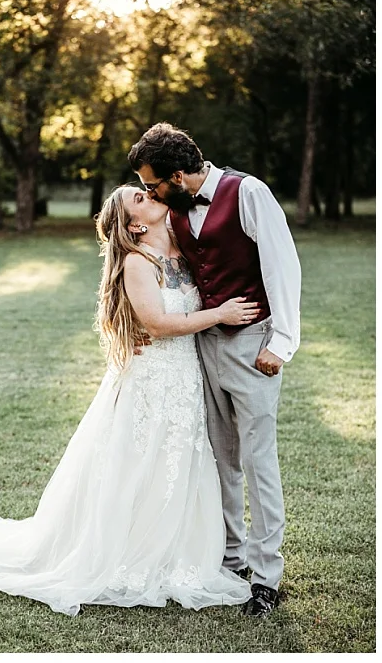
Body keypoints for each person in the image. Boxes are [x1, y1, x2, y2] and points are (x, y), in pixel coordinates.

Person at [0, 185, 255, 616]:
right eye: (139, 197)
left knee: (178, 460)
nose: (148, 195)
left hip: (184, 379)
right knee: (139, 462)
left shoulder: (179, 247)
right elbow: (155, 322)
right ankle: (129, 552)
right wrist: (221, 314)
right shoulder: (137, 263)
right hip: (151, 379)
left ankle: (179, 551)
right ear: (135, 224)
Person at [127, 123, 301, 617]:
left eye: (151, 184)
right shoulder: (176, 211)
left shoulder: (248, 192)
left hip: (253, 344)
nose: (148, 193)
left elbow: (282, 266)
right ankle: (232, 556)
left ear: (177, 175)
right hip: (203, 344)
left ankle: (267, 576)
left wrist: (282, 343)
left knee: (257, 460)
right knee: (221, 455)